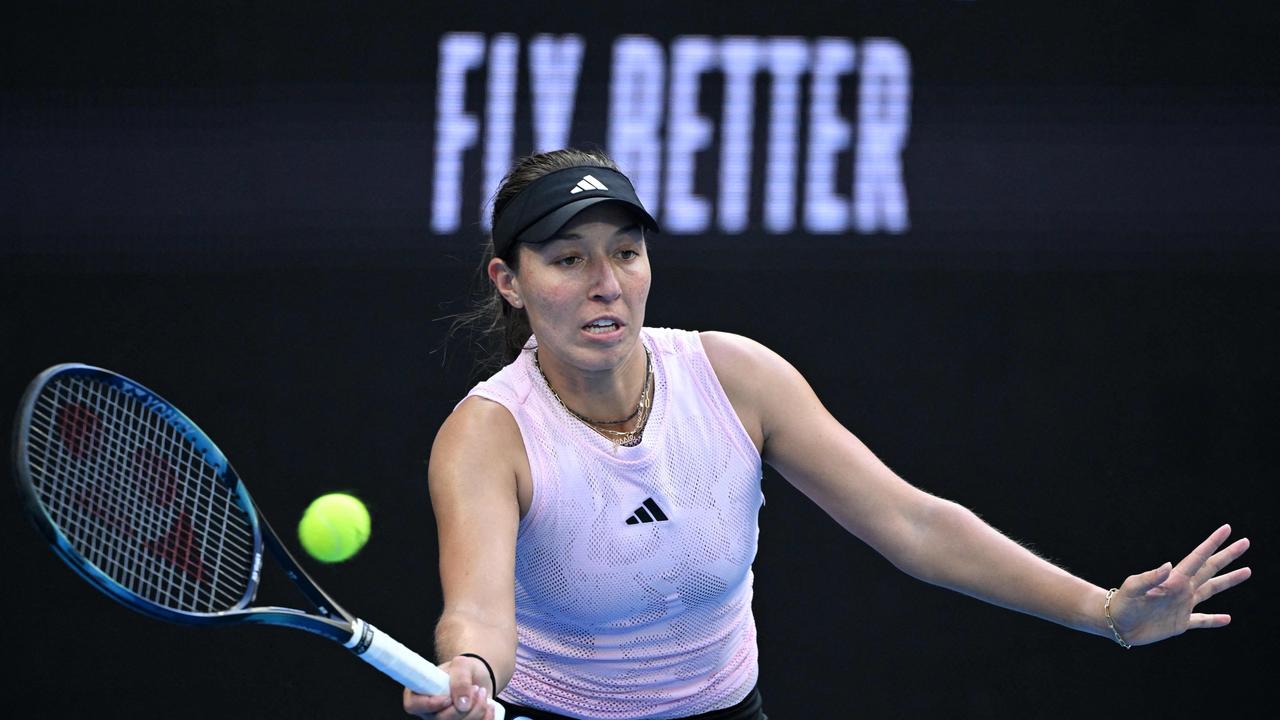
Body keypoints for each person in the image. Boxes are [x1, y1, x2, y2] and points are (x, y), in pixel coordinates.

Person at [403, 148, 1251, 720]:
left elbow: (911, 523)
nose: (606, 284)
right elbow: (478, 614)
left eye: (624, 252)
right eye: (567, 259)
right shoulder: (488, 436)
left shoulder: (735, 377)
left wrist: (1102, 611)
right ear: (508, 281)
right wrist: (471, 676)